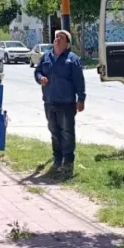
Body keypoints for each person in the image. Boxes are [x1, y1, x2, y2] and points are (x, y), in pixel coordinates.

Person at [34, 29, 86, 177]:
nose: (57, 39)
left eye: (61, 38)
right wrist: (40, 78)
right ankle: (58, 160)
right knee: (54, 131)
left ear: (67, 44)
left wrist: (81, 99)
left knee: (67, 133)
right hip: (49, 102)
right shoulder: (46, 57)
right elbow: (37, 72)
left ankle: (68, 162)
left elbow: (79, 81)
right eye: (56, 37)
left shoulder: (72, 59)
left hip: (66, 103)